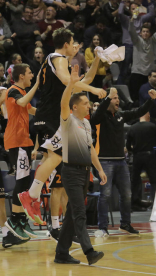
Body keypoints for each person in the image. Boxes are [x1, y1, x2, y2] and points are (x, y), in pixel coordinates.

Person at [18, 28, 106, 225]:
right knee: (57, 156)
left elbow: (82, 81)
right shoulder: (58, 58)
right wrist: (92, 89)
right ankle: (30, 196)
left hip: (45, 114)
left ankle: (34, 200)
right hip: (51, 115)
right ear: (66, 44)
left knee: (51, 159)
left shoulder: (54, 60)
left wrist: (97, 60)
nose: (75, 46)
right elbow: (69, 81)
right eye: (73, 42)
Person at [55, 64, 105, 265]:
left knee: (71, 216)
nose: (89, 105)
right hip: (71, 172)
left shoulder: (85, 123)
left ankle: (61, 253)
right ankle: (89, 251)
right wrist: (72, 84)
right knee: (79, 213)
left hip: (84, 173)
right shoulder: (67, 120)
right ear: (75, 107)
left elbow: (91, 149)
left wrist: (99, 169)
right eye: (85, 103)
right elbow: (63, 101)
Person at [90, 87, 156, 236]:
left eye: (118, 97)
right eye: (114, 98)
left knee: (127, 194)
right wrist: (107, 98)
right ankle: (102, 228)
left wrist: (151, 100)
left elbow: (138, 112)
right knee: (105, 195)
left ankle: (125, 224)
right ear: (106, 101)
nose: (117, 100)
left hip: (121, 161)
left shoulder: (121, 115)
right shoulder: (99, 116)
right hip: (104, 161)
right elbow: (95, 118)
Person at [2, 64, 39, 247]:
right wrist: (37, 85)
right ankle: (15, 220)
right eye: (30, 73)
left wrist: (50, 115)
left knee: (25, 182)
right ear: (22, 76)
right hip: (16, 141)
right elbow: (23, 103)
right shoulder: (13, 91)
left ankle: (19, 222)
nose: (32, 75)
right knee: (21, 181)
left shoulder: (22, 92)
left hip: (23, 141)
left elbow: (31, 109)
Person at [127, 112, 156, 210]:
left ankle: (134, 203)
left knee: (134, 180)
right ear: (148, 116)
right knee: (153, 180)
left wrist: (132, 150)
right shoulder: (151, 126)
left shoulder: (132, 128)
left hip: (137, 156)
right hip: (149, 155)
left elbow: (127, 145)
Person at [117, 0, 155, 85]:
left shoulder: (141, 19)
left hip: (138, 47)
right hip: (128, 46)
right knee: (124, 69)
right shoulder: (126, 19)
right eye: (133, 9)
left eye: (136, 9)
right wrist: (123, 2)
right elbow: (119, 13)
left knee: (136, 72)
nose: (135, 10)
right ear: (130, 10)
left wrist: (149, 3)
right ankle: (119, 89)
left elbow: (152, 14)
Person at [85, 34, 109, 101]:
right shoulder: (88, 50)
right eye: (94, 39)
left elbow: (108, 64)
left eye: (98, 39)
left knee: (99, 95)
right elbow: (88, 63)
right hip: (91, 75)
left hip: (100, 75)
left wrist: (103, 57)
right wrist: (97, 57)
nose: (96, 41)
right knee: (92, 95)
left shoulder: (104, 51)